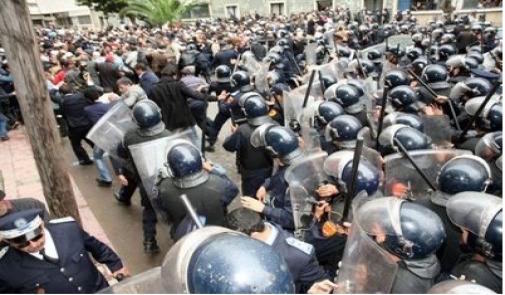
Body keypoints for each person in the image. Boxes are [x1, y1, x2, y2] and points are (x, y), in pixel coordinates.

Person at [0, 209, 129, 293]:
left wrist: (116, 265)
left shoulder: (69, 229)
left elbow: (98, 248)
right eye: (22, 243)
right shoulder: (5, 267)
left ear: (42, 226)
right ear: (8, 242)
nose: (33, 245)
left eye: (37, 236)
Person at [225, 208, 328, 293]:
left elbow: (322, 285)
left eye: (239, 239)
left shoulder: (298, 256)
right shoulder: (262, 226)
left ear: (254, 235)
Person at [157, 140, 237, 241]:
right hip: (217, 232)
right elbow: (233, 190)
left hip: (185, 236)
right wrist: (214, 171)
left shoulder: (163, 187)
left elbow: (164, 214)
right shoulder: (219, 184)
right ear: (200, 162)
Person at [82, 86, 113, 187]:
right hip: (113, 133)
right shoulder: (106, 105)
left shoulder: (88, 109)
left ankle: (106, 178)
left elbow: (94, 123)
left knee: (97, 156)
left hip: (101, 136)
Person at [59, 83, 94, 166]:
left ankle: (85, 159)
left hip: (74, 126)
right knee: (91, 140)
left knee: (76, 145)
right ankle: (99, 153)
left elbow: (63, 114)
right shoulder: (80, 96)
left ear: (61, 93)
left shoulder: (63, 101)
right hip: (86, 123)